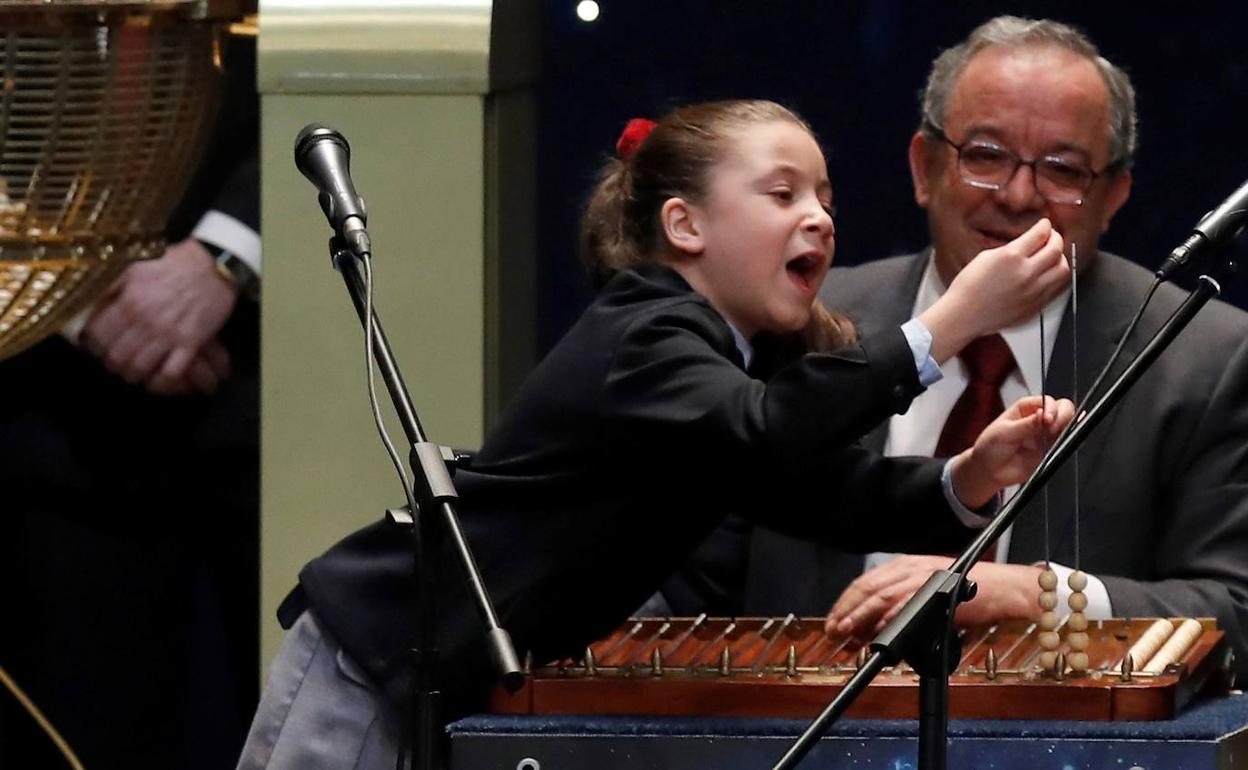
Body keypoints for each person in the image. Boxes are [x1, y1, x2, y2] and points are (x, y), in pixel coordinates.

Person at [236, 99, 1073, 768]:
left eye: (825, 197)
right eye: (782, 195)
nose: (818, 217)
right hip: (376, 657)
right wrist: (951, 322)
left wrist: (966, 475)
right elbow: (770, 429)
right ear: (685, 227)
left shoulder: (718, 367)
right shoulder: (648, 333)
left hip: (452, 670)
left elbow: (816, 490)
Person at [733, 16, 1248, 680]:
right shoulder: (800, 324)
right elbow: (677, 572)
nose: (1018, 195)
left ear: (1113, 195)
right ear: (924, 168)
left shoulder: (1206, 358)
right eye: (984, 156)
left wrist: (1034, 595)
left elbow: (1235, 613)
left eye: (1063, 169)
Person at [0, 29, 260, 770]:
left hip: (296, 356)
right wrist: (75, 298)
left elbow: (366, 48)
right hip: (44, 394)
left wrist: (225, 257)